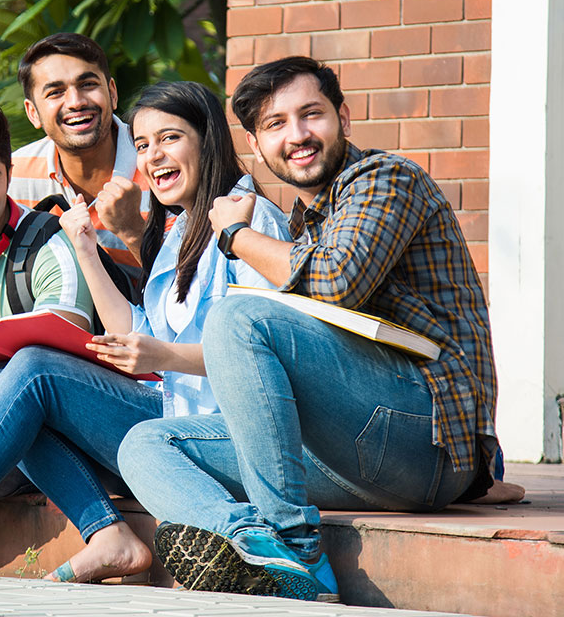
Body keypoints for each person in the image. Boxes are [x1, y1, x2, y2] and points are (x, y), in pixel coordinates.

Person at [0, 80, 291, 583]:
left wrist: (164, 356)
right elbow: (142, 334)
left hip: (208, 425)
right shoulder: (184, 228)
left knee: (26, 371)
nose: (152, 157)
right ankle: (106, 534)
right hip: (165, 409)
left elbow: (257, 354)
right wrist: (87, 248)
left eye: (170, 139)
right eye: (144, 145)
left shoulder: (248, 222)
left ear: (209, 138)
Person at [119, 57, 498, 603]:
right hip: (353, 452)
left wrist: (235, 236)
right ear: (255, 143)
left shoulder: (388, 178)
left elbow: (337, 280)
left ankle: (293, 540)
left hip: (426, 440)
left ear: (343, 116)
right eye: (275, 124)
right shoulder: (307, 219)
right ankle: (255, 546)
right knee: (146, 444)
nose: (296, 135)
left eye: (310, 114)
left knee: (237, 314)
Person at [9, 32, 148, 274]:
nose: (75, 102)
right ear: (33, 113)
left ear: (112, 93)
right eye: (55, 92)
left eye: (88, 85)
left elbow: (192, 285)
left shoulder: (159, 164)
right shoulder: (13, 175)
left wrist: (133, 232)